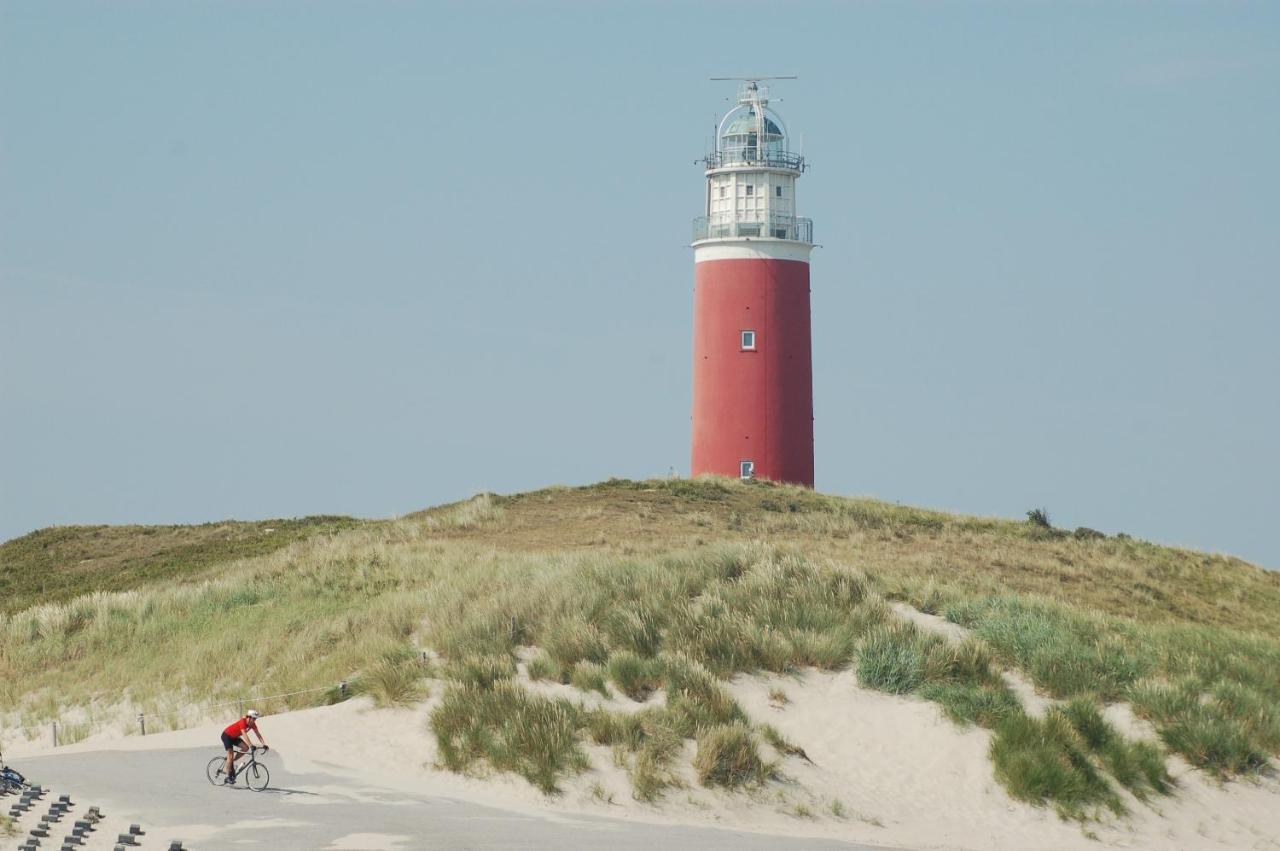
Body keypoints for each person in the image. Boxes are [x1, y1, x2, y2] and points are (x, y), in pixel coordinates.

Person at [221, 709, 268, 784]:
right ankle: (227, 777)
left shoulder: (252, 724)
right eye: (254, 718)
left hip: (234, 737)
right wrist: (251, 745)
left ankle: (231, 762)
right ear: (249, 717)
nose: (255, 720)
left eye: (255, 719)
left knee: (246, 748)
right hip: (227, 736)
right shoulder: (242, 722)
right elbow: (244, 734)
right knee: (230, 754)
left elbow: (258, 734)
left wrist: (264, 744)